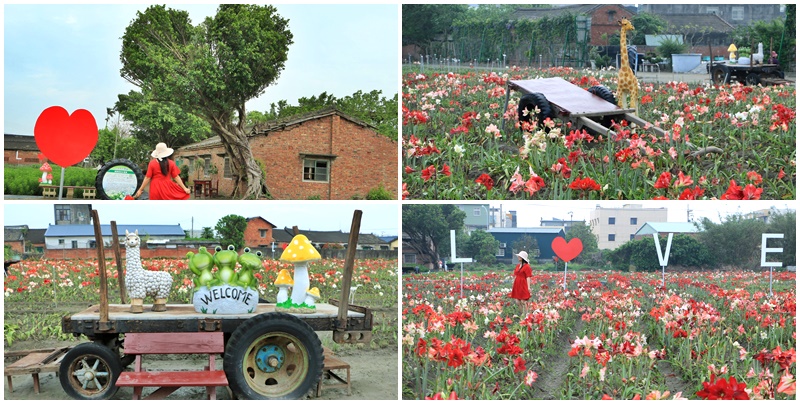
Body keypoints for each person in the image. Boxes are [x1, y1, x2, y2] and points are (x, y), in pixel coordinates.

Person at [509, 251, 533, 317]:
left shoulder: (527, 267)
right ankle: (522, 313)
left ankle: (526, 314)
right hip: (517, 284)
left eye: (519, 256)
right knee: (517, 301)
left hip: (523, 284)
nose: (518, 257)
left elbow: (528, 277)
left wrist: (528, 287)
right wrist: (513, 283)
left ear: (522, 258)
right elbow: (516, 275)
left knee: (523, 301)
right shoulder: (517, 266)